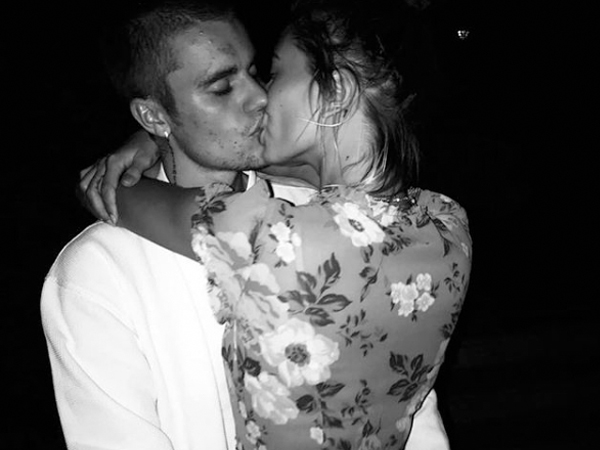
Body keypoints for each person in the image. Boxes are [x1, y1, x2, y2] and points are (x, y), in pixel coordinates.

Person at [42, 1, 451, 449]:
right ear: (153, 116)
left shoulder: (328, 219)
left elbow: (410, 413)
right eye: (222, 88)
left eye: (257, 72)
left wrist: (130, 169)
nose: (258, 96)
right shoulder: (98, 273)